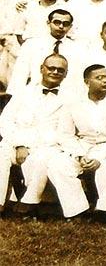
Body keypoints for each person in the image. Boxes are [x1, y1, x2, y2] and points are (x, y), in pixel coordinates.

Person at [47, 64, 106, 220]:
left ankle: (103, 210)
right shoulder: (73, 103)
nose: (105, 81)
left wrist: (99, 157)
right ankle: (78, 209)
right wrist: (79, 155)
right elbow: (65, 134)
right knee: (57, 165)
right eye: (99, 78)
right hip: (82, 146)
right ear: (87, 82)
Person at [0, 54, 68, 217]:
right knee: (1, 154)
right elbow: (6, 121)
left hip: (49, 144)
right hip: (17, 140)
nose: (55, 72)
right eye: (51, 68)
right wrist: (19, 144)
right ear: (41, 69)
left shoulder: (71, 98)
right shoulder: (23, 93)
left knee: (41, 159)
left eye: (60, 70)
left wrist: (36, 146)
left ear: (66, 74)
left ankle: (29, 202)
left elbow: (67, 130)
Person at [7, 9, 90, 98]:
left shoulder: (78, 48)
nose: (61, 26)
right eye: (57, 22)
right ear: (48, 23)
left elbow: (79, 77)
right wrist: (16, 99)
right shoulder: (31, 44)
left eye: (65, 24)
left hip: (65, 96)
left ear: (70, 26)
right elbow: (20, 75)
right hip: (35, 95)